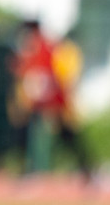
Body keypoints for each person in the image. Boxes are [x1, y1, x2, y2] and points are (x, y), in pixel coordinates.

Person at [8, 19, 93, 183]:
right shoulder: (25, 53)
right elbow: (21, 79)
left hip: (55, 101)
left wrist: (66, 101)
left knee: (68, 135)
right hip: (34, 103)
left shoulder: (51, 50)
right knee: (22, 133)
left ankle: (86, 169)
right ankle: (25, 169)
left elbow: (63, 77)